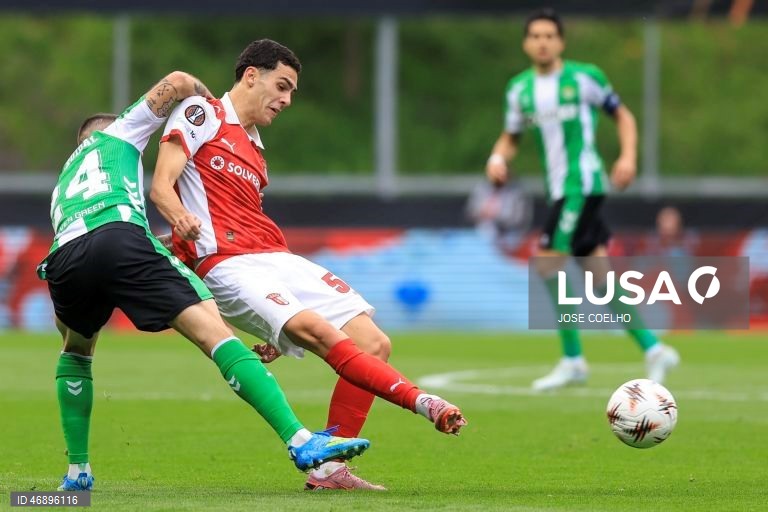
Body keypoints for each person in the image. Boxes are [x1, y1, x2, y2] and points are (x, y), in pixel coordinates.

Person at [150, 39, 467, 491]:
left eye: (293, 92)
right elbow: (161, 183)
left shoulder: (256, 151)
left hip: (276, 258)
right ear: (250, 75)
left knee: (374, 342)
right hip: (227, 264)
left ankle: (330, 471)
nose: (287, 100)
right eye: (282, 86)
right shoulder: (203, 113)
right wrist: (179, 216)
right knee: (322, 335)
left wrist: (275, 327)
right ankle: (422, 402)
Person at [38, 71, 370, 492]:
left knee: (76, 353)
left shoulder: (63, 184)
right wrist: (212, 106)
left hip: (65, 256)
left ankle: (76, 474)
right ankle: (301, 441)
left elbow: (96, 255)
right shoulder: (118, 133)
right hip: (119, 235)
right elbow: (176, 81)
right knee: (216, 333)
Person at [485, 9, 680, 391]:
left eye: (549, 35)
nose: (542, 41)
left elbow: (622, 116)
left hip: (583, 183)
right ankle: (655, 349)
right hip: (561, 189)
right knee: (599, 278)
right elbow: (511, 136)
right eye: (535, 35)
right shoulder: (519, 90)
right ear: (526, 43)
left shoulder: (584, 76)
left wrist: (627, 156)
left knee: (546, 264)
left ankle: (573, 359)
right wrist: (497, 158)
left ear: (561, 42)